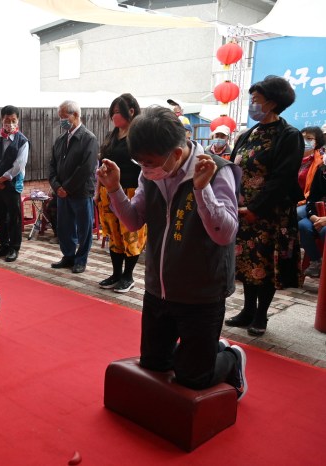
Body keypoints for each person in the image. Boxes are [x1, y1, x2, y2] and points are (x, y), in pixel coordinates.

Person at [97, 106, 248, 400]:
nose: (145, 169)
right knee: (154, 364)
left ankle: (230, 357)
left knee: (193, 378)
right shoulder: (152, 173)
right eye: (140, 162)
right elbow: (133, 221)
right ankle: (203, 350)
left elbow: (225, 234)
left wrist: (202, 190)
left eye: (149, 162)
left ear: (176, 154)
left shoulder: (218, 171)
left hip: (201, 292)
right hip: (159, 288)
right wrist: (114, 189)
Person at [226, 76, 304, 337]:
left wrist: (256, 208)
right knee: (246, 261)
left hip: (269, 214)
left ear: (271, 102)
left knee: (265, 264)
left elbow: (282, 178)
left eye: (256, 99)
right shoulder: (249, 134)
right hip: (242, 210)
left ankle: (261, 315)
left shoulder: (288, 135)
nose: (252, 104)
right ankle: (247, 310)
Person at [96, 93, 146, 293]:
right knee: (113, 234)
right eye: (113, 112)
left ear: (131, 111)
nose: (114, 116)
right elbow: (101, 163)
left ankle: (128, 276)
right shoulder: (112, 136)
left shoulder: (138, 137)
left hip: (131, 191)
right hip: (108, 191)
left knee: (130, 235)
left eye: (118, 112)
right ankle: (116, 273)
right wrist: (98, 190)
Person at [49, 100, 98, 273]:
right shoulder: (60, 140)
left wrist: (67, 188)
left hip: (81, 192)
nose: (61, 121)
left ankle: (81, 259)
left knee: (84, 228)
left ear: (75, 115)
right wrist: (57, 187)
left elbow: (86, 168)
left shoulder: (89, 139)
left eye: (63, 117)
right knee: (65, 227)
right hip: (62, 193)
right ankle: (68, 256)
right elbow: (52, 166)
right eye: (60, 117)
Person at [0, 105, 29, 263]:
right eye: (7, 120)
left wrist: (2, 179)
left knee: (13, 217)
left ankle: (14, 247)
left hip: (12, 185)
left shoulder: (22, 141)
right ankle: (3, 244)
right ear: (1, 120)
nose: (10, 123)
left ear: (18, 120)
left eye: (13, 120)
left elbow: (19, 165)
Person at [297, 127, 325, 277]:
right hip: (311, 207)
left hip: (304, 203)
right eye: (303, 138)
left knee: (295, 215)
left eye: (309, 139)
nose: (305, 142)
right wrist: (313, 216)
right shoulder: (322, 170)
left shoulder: (318, 162)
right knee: (303, 224)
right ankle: (316, 261)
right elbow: (314, 197)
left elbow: (309, 195)